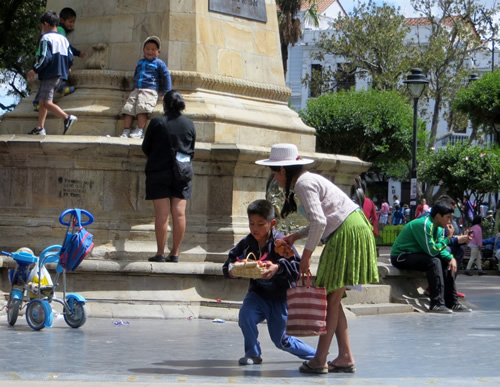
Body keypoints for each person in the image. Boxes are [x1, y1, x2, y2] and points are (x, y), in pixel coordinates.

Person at [256, 143, 379, 374]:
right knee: (334, 297)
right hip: (351, 228)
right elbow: (319, 220)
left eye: (274, 170)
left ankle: (320, 358)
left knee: (329, 298)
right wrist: (296, 236)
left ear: (283, 170)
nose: (274, 176)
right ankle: (344, 356)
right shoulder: (305, 180)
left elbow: (320, 222)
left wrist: (307, 258)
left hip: (345, 232)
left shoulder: (302, 183)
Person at [222, 199, 316, 366]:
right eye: (251, 224)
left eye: (260, 224)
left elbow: (297, 268)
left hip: (280, 298)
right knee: (245, 317)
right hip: (257, 294)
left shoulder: (281, 243)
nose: (255, 229)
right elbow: (230, 261)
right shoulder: (247, 243)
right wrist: (231, 271)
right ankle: (252, 353)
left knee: (281, 341)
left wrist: (277, 268)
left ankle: (316, 356)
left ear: (272, 223)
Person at [142, 90, 195, 263]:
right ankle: (175, 252)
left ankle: (160, 253)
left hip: (159, 171)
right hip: (182, 172)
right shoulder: (189, 124)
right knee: (179, 214)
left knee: (162, 215)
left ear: (165, 104)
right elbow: (191, 149)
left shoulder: (157, 122)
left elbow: (146, 147)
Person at [391, 201, 471, 314]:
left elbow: (440, 248)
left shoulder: (438, 227)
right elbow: (432, 251)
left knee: (445, 260)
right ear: (438, 216)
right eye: (448, 217)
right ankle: (437, 304)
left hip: (418, 254)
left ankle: (452, 301)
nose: (449, 221)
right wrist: (448, 238)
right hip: (401, 256)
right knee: (434, 261)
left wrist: (450, 258)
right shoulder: (424, 224)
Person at [27, 10, 77, 135]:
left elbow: (45, 57)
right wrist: (68, 66)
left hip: (50, 74)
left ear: (45, 24)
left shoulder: (46, 38)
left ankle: (67, 118)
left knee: (46, 102)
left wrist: (35, 69)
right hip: (61, 75)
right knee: (43, 100)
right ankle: (40, 128)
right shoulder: (63, 39)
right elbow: (70, 57)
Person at [32, 7, 87, 112]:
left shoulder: (56, 32)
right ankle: (59, 90)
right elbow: (65, 47)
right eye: (70, 22)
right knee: (51, 77)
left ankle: (39, 102)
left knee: (47, 79)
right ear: (61, 20)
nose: (72, 24)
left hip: (47, 55)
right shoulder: (60, 31)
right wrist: (77, 54)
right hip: (51, 56)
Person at [120, 36, 171, 139]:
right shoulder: (140, 62)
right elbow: (136, 75)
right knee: (128, 108)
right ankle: (126, 130)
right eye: (147, 49)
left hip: (149, 89)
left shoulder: (159, 63)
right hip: (137, 89)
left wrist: (167, 92)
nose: (150, 51)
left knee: (142, 108)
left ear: (158, 52)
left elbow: (166, 77)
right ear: (143, 50)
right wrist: (134, 88)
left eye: (153, 49)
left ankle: (139, 130)